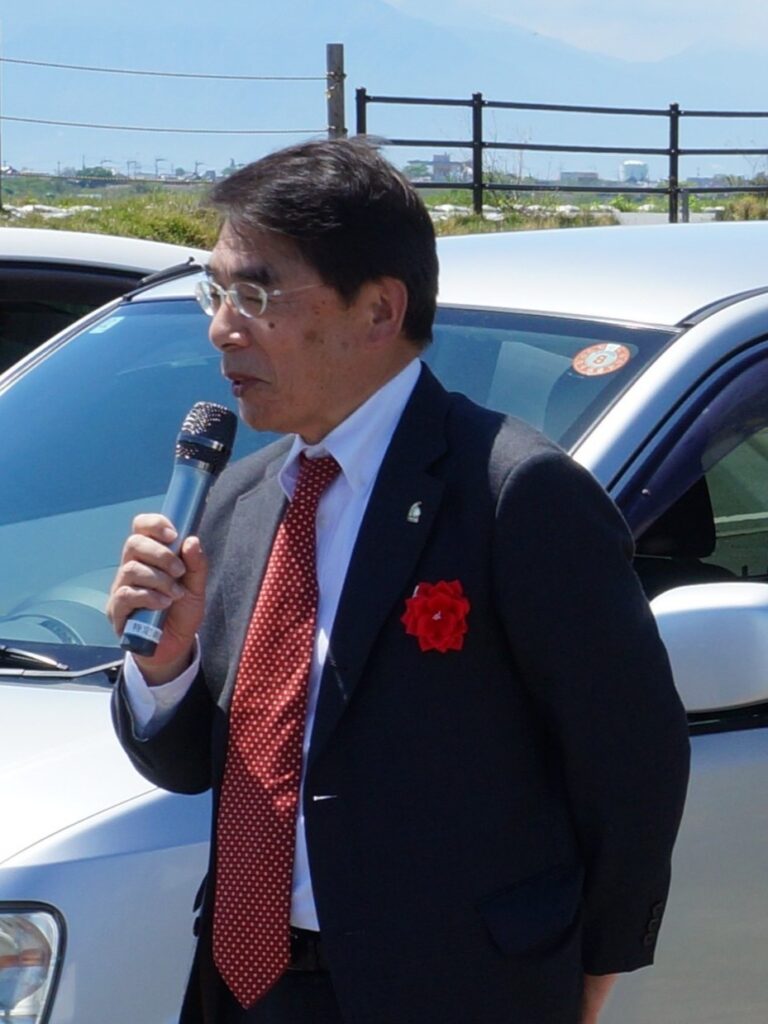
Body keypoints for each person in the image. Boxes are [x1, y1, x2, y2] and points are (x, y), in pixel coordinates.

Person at [108, 137, 690, 1024]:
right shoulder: (238, 498)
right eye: (213, 293)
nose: (222, 328)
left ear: (380, 309)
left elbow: (631, 758)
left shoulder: (513, 493)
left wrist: (590, 966)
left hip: (455, 986)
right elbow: (190, 767)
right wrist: (164, 666)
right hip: (247, 983)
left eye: (254, 295)